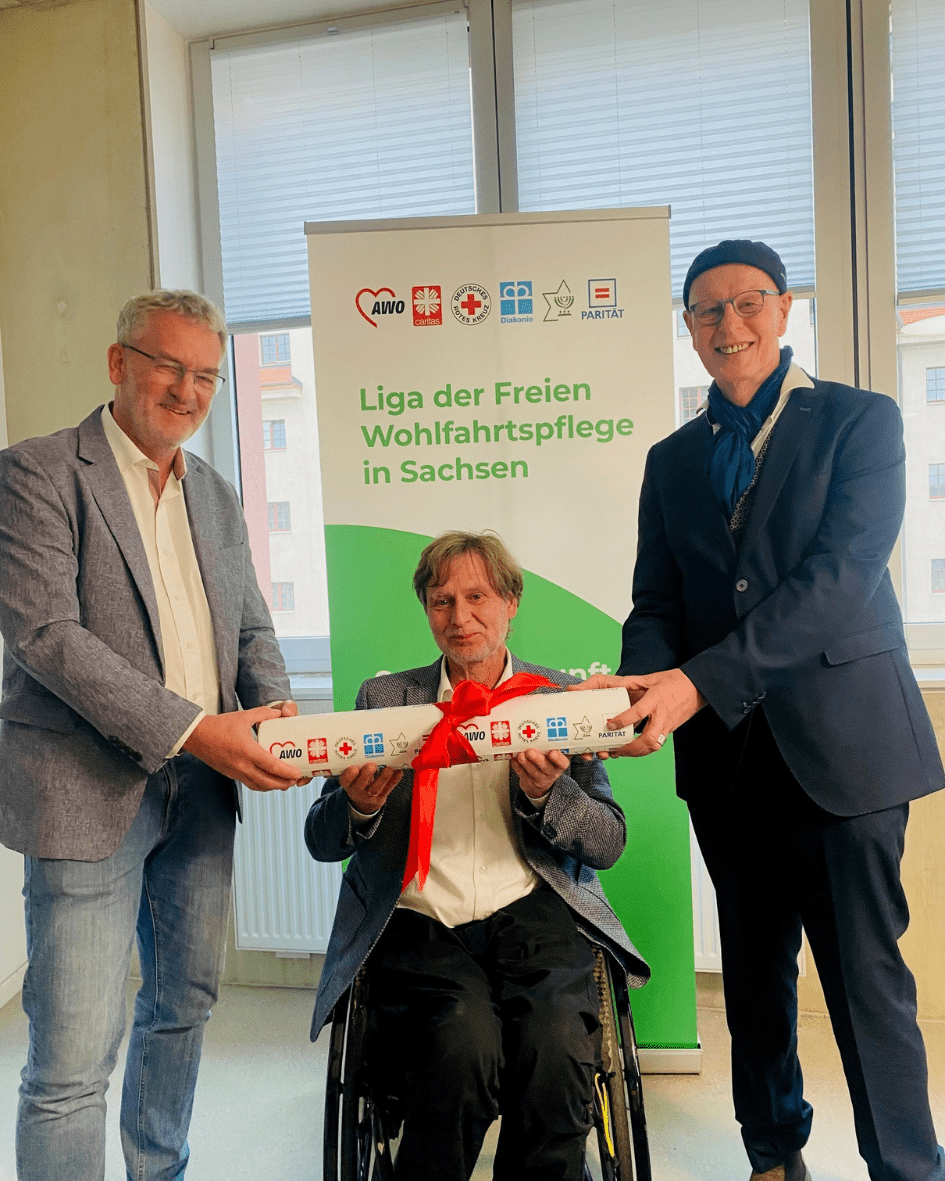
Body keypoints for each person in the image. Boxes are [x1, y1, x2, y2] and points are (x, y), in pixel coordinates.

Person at [576, 240, 945, 1181]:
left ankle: (907, 1167)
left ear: (784, 309)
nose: (728, 323)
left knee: (864, 981)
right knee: (751, 977)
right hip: (727, 762)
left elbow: (837, 583)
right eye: (707, 309)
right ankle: (773, 1154)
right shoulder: (671, 460)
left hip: (845, 753)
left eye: (747, 302)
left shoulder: (860, 421)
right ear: (688, 327)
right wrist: (639, 684)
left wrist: (692, 683)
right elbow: (657, 600)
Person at [0, 290, 309, 1181]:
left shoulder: (214, 492)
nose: (187, 389)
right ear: (117, 362)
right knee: (72, 1054)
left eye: (206, 374)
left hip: (201, 795)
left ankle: (159, 1170)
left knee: (181, 1007)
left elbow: (249, 625)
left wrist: (277, 716)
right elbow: (47, 637)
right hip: (85, 790)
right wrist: (194, 728)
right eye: (169, 365)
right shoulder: (37, 473)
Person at [305, 530, 647, 1181]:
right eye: (442, 601)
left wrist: (548, 795)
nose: (459, 617)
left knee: (554, 1045)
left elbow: (606, 841)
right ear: (426, 610)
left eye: (477, 597)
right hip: (421, 917)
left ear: (510, 603)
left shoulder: (557, 700)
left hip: (533, 909)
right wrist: (359, 807)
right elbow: (322, 840)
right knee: (458, 1044)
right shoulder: (384, 700)